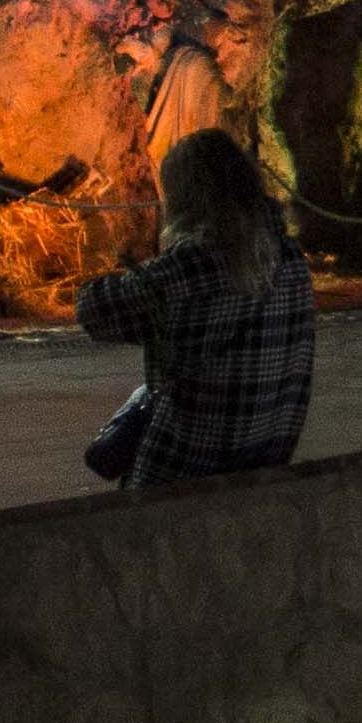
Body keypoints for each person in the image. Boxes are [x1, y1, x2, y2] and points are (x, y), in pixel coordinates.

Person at [78, 127, 317, 485]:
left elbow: (93, 309)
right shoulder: (292, 259)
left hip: (180, 472)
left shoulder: (195, 263)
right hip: (261, 469)